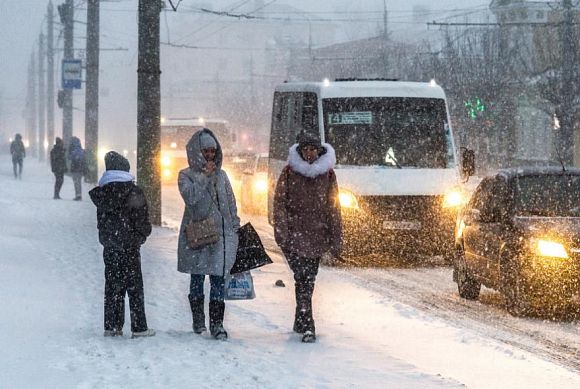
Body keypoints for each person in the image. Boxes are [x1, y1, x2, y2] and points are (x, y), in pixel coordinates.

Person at [273, 132, 342, 343]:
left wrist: (336, 237)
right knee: (303, 276)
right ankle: (308, 324)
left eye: (313, 149)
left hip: (317, 235)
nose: (310, 153)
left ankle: (300, 318)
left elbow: (334, 208)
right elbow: (279, 204)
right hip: (295, 235)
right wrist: (282, 232)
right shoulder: (289, 173)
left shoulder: (328, 175)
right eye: (306, 150)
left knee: (307, 279)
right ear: (300, 151)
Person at [177, 128, 240, 340]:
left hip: (221, 236)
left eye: (213, 151)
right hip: (198, 234)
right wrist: (204, 177)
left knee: (218, 280)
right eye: (206, 151)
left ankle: (217, 324)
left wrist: (235, 227)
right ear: (197, 151)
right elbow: (191, 199)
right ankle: (198, 320)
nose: (210, 155)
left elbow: (231, 204)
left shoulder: (222, 176)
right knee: (197, 278)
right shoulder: (185, 175)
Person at [89, 151, 155, 338]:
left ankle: (112, 326)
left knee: (112, 286)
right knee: (134, 287)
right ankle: (139, 327)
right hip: (130, 247)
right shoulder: (133, 192)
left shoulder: (103, 193)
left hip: (111, 247)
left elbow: (101, 223)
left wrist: (109, 239)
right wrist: (141, 236)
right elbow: (142, 222)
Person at [68, 136, 85, 200]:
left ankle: (77, 195)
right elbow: (83, 159)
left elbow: (69, 157)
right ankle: (79, 194)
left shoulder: (73, 150)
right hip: (80, 168)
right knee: (79, 182)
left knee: (76, 182)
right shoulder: (81, 150)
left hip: (74, 168)